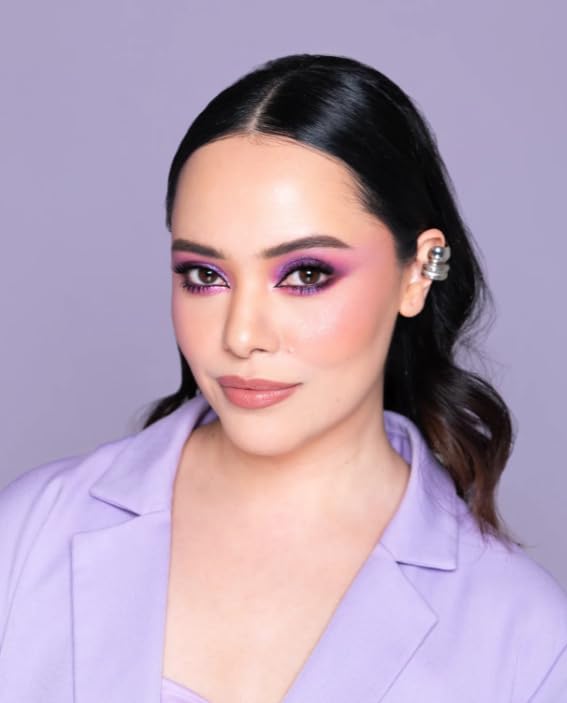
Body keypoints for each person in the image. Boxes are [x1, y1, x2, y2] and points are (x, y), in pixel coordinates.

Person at [0, 53, 566, 703]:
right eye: (204, 275)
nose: (241, 336)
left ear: (418, 271)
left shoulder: (525, 640)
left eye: (305, 275)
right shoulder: (28, 533)